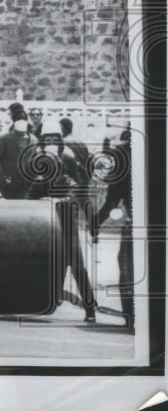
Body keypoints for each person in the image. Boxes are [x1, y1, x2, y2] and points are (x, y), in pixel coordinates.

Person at [24, 121, 97, 322]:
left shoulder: (68, 166)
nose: (51, 142)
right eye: (47, 139)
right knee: (47, 264)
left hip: (66, 222)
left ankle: (90, 307)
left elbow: (76, 190)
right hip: (46, 226)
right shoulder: (39, 169)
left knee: (77, 265)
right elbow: (30, 194)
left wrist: (58, 200)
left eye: (54, 138)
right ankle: (47, 300)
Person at [91, 134, 133, 326]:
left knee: (128, 272)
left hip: (136, 227)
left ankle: (131, 317)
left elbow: (111, 202)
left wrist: (95, 224)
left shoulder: (124, 155)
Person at [0, 112, 39, 199]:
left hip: (26, 182)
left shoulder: (34, 140)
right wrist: (1, 174)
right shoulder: (5, 138)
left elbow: (36, 159)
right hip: (8, 181)